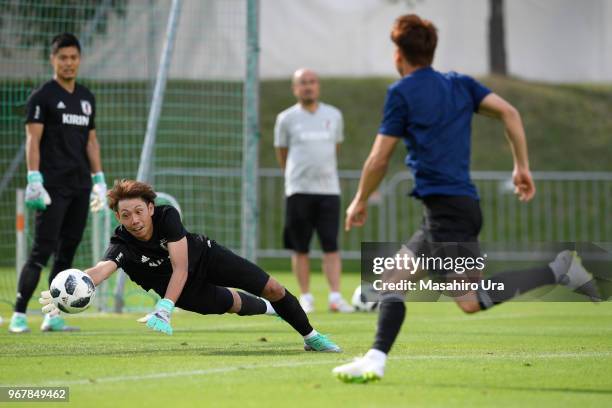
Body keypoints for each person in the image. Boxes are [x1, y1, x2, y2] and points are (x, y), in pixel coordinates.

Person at [332, 14, 600, 383]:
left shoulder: (402, 93)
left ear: (398, 55)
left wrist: (359, 199)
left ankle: (560, 270)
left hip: (448, 212)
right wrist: (521, 166)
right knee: (392, 280)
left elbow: (379, 157)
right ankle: (375, 358)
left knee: (469, 301)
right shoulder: (459, 84)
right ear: (431, 50)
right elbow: (509, 112)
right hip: (448, 208)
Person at [39, 179, 342, 352]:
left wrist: (164, 307)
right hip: (181, 291)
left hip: (205, 258)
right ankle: (274, 311)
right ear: (118, 218)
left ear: (151, 209)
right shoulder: (122, 243)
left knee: (273, 287)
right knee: (233, 304)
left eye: (139, 211)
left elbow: (180, 267)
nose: (134, 220)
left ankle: (311, 337)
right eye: (126, 215)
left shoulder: (168, 217)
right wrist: (73, 286)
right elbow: (101, 269)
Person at [9, 33, 107, 333]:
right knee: (42, 250)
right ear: (53, 60)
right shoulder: (43, 97)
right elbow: (32, 139)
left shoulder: (86, 99)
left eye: (73, 58)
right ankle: (19, 314)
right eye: (62, 57)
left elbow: (91, 141)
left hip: (79, 187)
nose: (68, 63)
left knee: (67, 252)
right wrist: (34, 177)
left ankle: (53, 316)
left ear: (79, 60)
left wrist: (99, 180)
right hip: (51, 186)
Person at [274, 68, 353, 313]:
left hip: (329, 191)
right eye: (302, 83)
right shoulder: (286, 119)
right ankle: (306, 297)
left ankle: (336, 297)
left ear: (317, 86)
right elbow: (282, 153)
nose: (308, 86)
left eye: (312, 82)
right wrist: (294, 177)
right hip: (299, 190)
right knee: (301, 247)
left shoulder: (334, 115)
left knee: (331, 245)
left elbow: (336, 148)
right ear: (295, 88)